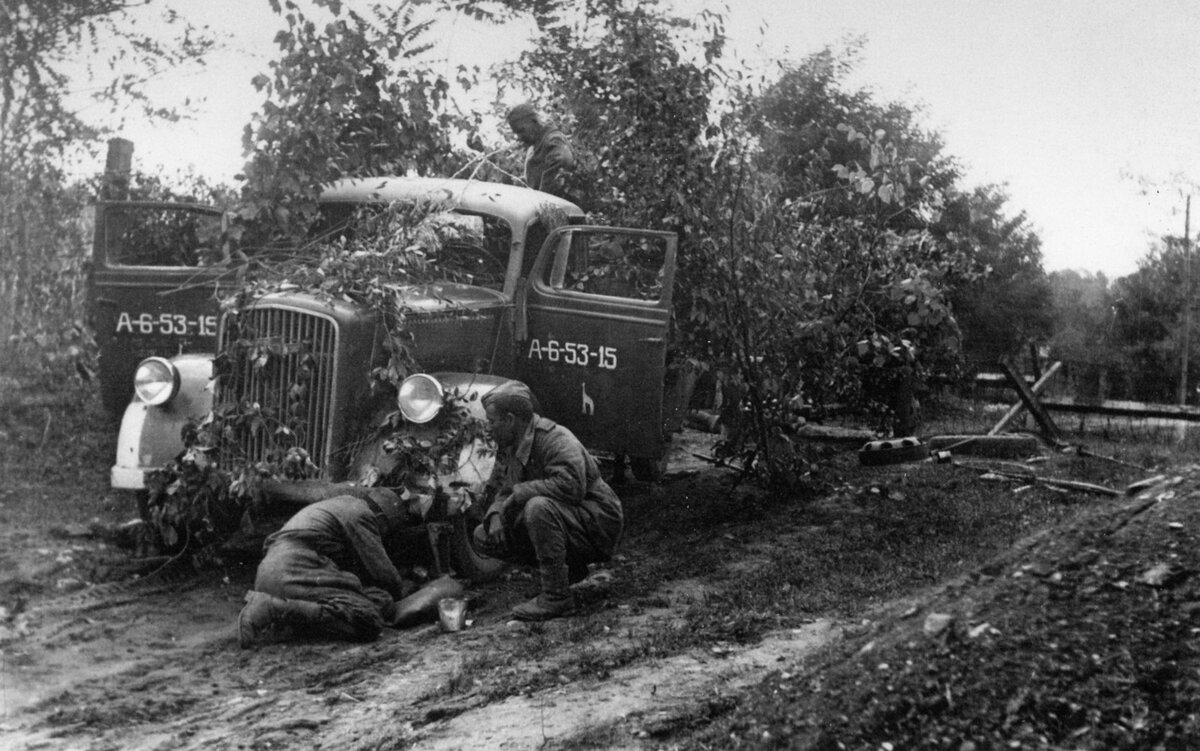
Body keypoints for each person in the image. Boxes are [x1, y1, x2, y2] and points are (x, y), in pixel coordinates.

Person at [473, 380, 623, 620]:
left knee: (537, 507)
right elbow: (505, 489)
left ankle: (557, 597)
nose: (489, 428)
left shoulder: (555, 439)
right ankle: (566, 572)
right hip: (571, 518)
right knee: (483, 535)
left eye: (493, 422)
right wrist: (495, 514)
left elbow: (571, 487)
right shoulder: (515, 444)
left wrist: (521, 493)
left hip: (598, 520)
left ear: (511, 419)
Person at [237, 490, 416, 647]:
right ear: (381, 518)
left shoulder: (340, 505)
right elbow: (384, 574)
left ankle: (285, 613)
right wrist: (406, 590)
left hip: (273, 571)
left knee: (379, 598)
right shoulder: (361, 514)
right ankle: (274, 608)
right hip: (295, 568)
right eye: (385, 529)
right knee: (367, 618)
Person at [506, 102, 579, 204]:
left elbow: (561, 168)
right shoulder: (534, 146)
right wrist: (522, 184)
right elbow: (535, 181)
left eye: (521, 130)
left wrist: (539, 200)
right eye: (516, 133)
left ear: (534, 121)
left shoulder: (553, 140)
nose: (519, 137)